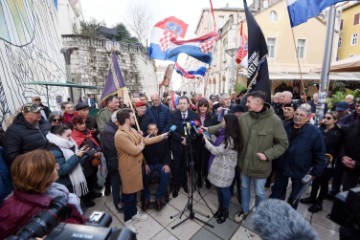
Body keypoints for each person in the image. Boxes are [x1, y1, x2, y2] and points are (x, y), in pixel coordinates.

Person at [208, 91, 288, 222]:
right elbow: (227, 125)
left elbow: (283, 144)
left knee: (260, 192)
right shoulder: (244, 117)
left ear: (258, 102)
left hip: (261, 166)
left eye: (249, 102)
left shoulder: (275, 121)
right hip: (243, 164)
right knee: (244, 188)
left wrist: (267, 155)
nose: (246, 104)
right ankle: (244, 210)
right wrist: (207, 129)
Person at [0, 150, 86, 239]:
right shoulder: (17, 211)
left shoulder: (55, 189)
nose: (57, 166)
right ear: (42, 175)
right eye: (53, 166)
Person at [114, 109, 168, 233]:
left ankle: (134, 213)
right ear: (127, 120)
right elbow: (135, 150)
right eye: (132, 117)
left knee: (133, 194)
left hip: (136, 167)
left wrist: (161, 136)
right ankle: (128, 220)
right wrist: (141, 144)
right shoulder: (120, 135)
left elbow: (145, 140)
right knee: (129, 196)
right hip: (128, 170)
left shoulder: (131, 130)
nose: (134, 119)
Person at [270, 106, 326, 209]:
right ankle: (274, 212)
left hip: (300, 170)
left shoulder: (315, 132)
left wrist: (315, 173)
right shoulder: (285, 126)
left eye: (301, 115)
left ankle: (290, 215)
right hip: (282, 166)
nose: (298, 117)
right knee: (277, 192)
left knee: (295, 196)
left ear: (308, 117)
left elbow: (320, 153)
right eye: (296, 114)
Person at [300, 111, 341, 213]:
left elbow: (324, 143)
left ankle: (319, 203)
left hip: (328, 160)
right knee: (315, 180)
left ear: (335, 120)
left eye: (329, 118)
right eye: (325, 117)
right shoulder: (321, 128)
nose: (326, 119)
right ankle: (312, 197)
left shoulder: (337, 132)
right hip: (317, 159)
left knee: (323, 182)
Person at [204, 114, 240, 224]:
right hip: (220, 168)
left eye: (223, 121)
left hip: (226, 170)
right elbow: (218, 143)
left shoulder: (231, 138)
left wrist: (205, 140)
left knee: (224, 190)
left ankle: (225, 211)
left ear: (228, 124)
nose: (222, 123)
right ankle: (220, 208)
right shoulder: (224, 134)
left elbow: (216, 150)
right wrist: (208, 135)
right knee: (219, 189)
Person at [165, 96, 200, 198]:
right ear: (178, 105)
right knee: (176, 167)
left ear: (188, 104)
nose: (182, 105)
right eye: (180, 103)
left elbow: (196, 130)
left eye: (184, 103)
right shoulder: (173, 115)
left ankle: (184, 184)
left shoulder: (194, 115)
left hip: (188, 147)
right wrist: (181, 140)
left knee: (185, 166)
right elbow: (171, 130)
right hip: (176, 146)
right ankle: (176, 186)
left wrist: (187, 140)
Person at [47, 125, 90, 198]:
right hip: (66, 184)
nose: (71, 138)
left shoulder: (68, 144)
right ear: (57, 136)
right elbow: (61, 171)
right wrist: (77, 156)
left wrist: (84, 154)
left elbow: (75, 162)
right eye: (68, 135)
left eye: (71, 135)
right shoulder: (54, 150)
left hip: (71, 182)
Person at [71, 115, 103, 207]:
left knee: (92, 177)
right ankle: (86, 199)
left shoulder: (87, 131)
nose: (83, 126)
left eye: (83, 123)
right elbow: (82, 150)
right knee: (86, 180)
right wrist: (93, 154)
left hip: (92, 160)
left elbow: (93, 142)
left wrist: (98, 150)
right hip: (84, 162)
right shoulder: (75, 136)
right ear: (75, 126)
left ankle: (92, 193)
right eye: (80, 124)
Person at [141, 123, 171, 211]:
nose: (153, 131)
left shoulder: (163, 139)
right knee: (143, 174)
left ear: (157, 130)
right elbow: (140, 153)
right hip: (149, 163)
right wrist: (145, 164)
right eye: (151, 129)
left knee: (166, 174)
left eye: (154, 129)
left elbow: (167, 153)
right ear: (147, 131)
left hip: (160, 163)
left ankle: (159, 197)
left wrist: (166, 164)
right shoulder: (144, 141)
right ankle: (146, 197)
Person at [101, 110, 123, 212]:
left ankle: (121, 198)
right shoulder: (108, 131)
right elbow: (113, 148)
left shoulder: (114, 127)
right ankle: (117, 202)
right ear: (116, 120)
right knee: (115, 182)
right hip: (114, 161)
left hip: (118, 159)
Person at [195, 99, 218, 188]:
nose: (202, 108)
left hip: (209, 142)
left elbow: (215, 129)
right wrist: (197, 131)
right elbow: (193, 127)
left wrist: (206, 130)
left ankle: (208, 179)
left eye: (205, 106)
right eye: (201, 106)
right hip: (198, 142)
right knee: (199, 161)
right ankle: (199, 179)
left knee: (208, 161)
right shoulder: (195, 116)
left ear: (208, 107)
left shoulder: (213, 116)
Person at [340, 101, 360, 191]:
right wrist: (343, 156)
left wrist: (357, 163)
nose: (358, 108)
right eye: (358, 106)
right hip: (349, 169)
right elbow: (344, 142)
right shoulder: (354, 124)